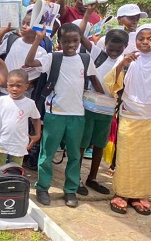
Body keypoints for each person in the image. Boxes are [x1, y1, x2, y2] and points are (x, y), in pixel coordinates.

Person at [24, 23, 104, 208]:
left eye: (75, 41)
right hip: (55, 114)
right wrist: (38, 39)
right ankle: (43, 188)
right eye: (66, 41)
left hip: (77, 115)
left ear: (79, 41)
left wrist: (106, 102)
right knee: (47, 153)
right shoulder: (53, 57)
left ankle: (70, 190)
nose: (71, 45)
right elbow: (29, 63)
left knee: (75, 155)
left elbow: (94, 81)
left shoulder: (85, 59)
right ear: (59, 41)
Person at [77, 10, 129, 196]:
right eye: (111, 48)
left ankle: (92, 178)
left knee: (100, 143)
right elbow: (80, 36)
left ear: (125, 47)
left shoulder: (126, 62)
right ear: (104, 44)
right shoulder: (98, 53)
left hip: (107, 109)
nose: (114, 52)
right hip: (89, 105)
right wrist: (87, 15)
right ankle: (76, 178)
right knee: (82, 143)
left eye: (118, 49)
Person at [104, 24, 151, 215]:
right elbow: (110, 84)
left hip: (149, 118)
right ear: (135, 40)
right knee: (126, 156)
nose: (145, 42)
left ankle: (140, 195)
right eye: (141, 38)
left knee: (146, 158)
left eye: (150, 38)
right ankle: (122, 194)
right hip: (130, 114)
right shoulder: (129, 60)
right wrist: (123, 64)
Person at [0, 69, 41, 167]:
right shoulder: (1, 100)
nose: (14, 89)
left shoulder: (30, 103)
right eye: (11, 85)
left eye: (18, 86)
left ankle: (13, 182)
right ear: (7, 85)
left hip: (19, 142)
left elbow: (36, 118)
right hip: (2, 140)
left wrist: (37, 134)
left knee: (16, 167)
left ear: (26, 86)